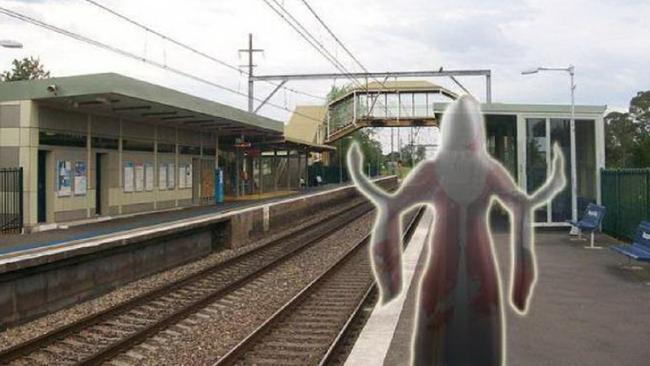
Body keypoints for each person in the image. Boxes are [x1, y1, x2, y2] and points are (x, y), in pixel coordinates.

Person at [347, 95, 566, 366]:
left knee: (433, 343)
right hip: (482, 273)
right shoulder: (489, 169)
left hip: (440, 273)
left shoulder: (433, 169)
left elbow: (391, 207)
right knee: (483, 343)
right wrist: (520, 286)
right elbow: (522, 205)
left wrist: (390, 280)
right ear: (477, 131)